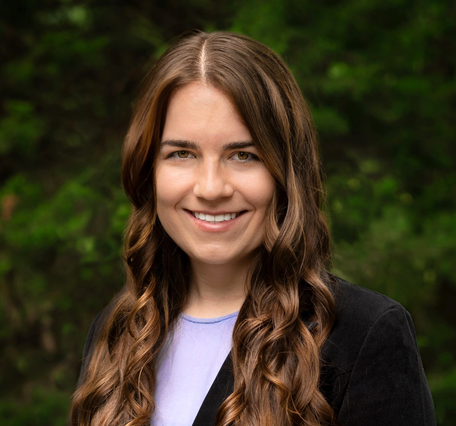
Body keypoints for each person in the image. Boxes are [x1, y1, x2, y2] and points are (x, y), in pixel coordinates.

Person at [69, 31, 436, 426]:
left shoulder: (363, 335)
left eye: (243, 155)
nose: (211, 188)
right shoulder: (118, 332)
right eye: (182, 153)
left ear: (286, 172)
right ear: (148, 171)